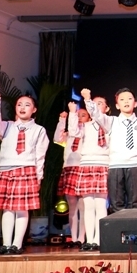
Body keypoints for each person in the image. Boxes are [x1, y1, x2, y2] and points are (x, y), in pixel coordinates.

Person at [0, 92, 49, 255]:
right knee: (7, 209)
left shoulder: (39, 130)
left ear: (34, 109)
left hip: (26, 169)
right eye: (19, 104)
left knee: (21, 209)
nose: (22, 107)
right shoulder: (7, 126)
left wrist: (38, 176)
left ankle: (17, 244)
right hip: (6, 169)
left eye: (27, 105)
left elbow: (40, 155)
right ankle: (6, 244)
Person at [84, 87, 137, 214]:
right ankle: (118, 227)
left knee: (136, 204)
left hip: (136, 165)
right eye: (122, 100)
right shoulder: (111, 121)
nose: (126, 102)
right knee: (116, 204)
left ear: (135, 103)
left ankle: (134, 227)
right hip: (116, 166)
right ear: (117, 105)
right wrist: (88, 100)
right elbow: (96, 114)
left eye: (129, 99)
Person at [69, 95, 111, 251]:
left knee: (100, 204)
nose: (96, 106)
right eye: (93, 103)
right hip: (86, 164)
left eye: (100, 103)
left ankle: (99, 239)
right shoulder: (85, 126)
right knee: (88, 204)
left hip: (103, 164)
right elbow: (73, 131)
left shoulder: (110, 123)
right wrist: (72, 113)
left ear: (106, 108)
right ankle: (89, 240)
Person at [53, 103, 87, 247]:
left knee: (83, 207)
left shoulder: (88, 133)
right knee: (72, 207)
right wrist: (62, 120)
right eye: (77, 115)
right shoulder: (69, 134)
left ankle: (82, 238)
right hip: (69, 169)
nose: (79, 118)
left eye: (83, 115)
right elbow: (57, 138)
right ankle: (73, 238)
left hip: (83, 169)